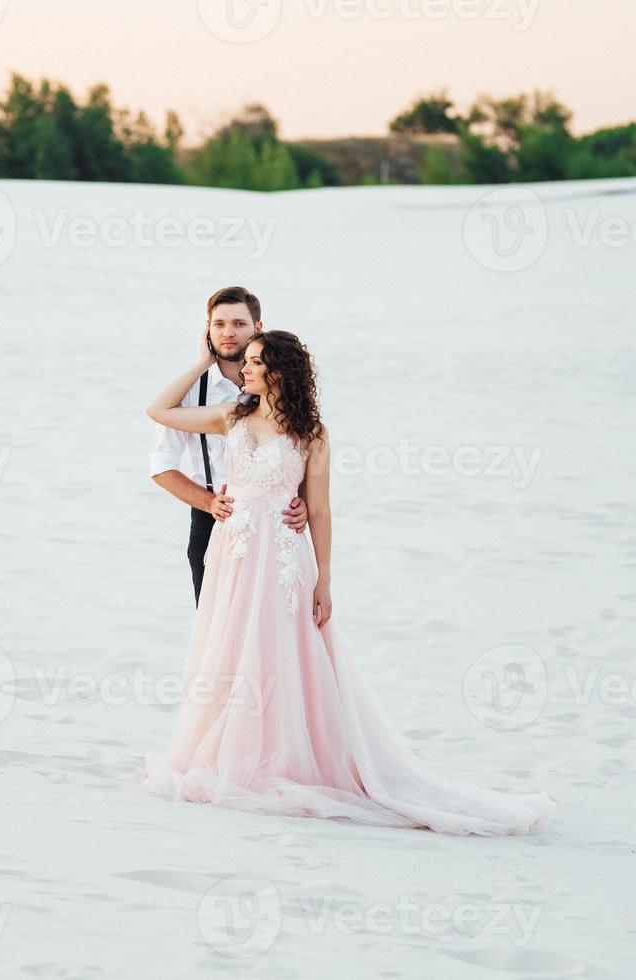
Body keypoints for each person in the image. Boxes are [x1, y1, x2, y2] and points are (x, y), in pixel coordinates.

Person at [142, 330, 555, 835]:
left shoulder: (310, 433)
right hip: (234, 551)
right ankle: (233, 749)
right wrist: (202, 362)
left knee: (280, 650)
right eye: (243, 361)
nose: (242, 371)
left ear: (277, 371)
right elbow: (159, 410)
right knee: (231, 648)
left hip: (284, 557)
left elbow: (318, 508)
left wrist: (325, 580)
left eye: (252, 363)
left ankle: (285, 757)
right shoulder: (232, 417)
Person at [149, 286, 306, 604]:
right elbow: (161, 466)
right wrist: (208, 503)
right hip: (213, 523)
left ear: (258, 328)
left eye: (238, 323)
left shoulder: (285, 393)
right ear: (207, 329)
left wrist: (301, 500)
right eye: (218, 324)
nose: (228, 333)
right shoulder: (193, 392)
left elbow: (300, 451)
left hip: (277, 527)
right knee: (219, 636)